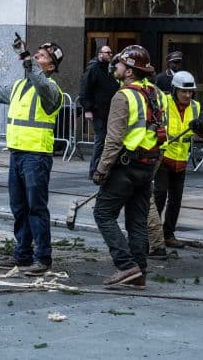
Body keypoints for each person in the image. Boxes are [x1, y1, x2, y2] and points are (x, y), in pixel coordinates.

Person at [0, 35, 64, 276]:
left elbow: (40, 83)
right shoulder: (20, 87)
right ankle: (22, 256)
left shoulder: (51, 90)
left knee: (36, 208)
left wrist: (26, 58)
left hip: (36, 156)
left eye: (42, 57)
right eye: (36, 54)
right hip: (18, 154)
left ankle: (43, 258)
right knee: (19, 207)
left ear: (50, 67)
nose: (36, 58)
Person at [92, 45, 169, 289]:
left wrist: (101, 170)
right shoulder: (156, 93)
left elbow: (113, 139)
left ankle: (126, 266)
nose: (115, 67)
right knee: (136, 222)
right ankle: (140, 272)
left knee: (103, 214)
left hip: (124, 167)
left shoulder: (123, 96)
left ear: (129, 71)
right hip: (147, 166)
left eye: (119, 64)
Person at [154, 70, 203, 249]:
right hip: (164, 156)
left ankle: (168, 234)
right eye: (183, 91)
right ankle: (152, 234)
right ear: (174, 90)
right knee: (160, 195)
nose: (187, 95)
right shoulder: (164, 103)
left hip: (181, 160)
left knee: (176, 199)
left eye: (190, 92)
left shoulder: (195, 106)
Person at [78, 44, 117, 175]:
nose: (110, 54)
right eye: (108, 52)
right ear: (100, 54)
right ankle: (94, 169)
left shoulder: (109, 70)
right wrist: (88, 109)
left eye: (111, 53)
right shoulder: (93, 69)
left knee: (105, 140)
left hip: (108, 111)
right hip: (98, 111)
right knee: (100, 140)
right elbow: (84, 89)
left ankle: (102, 168)